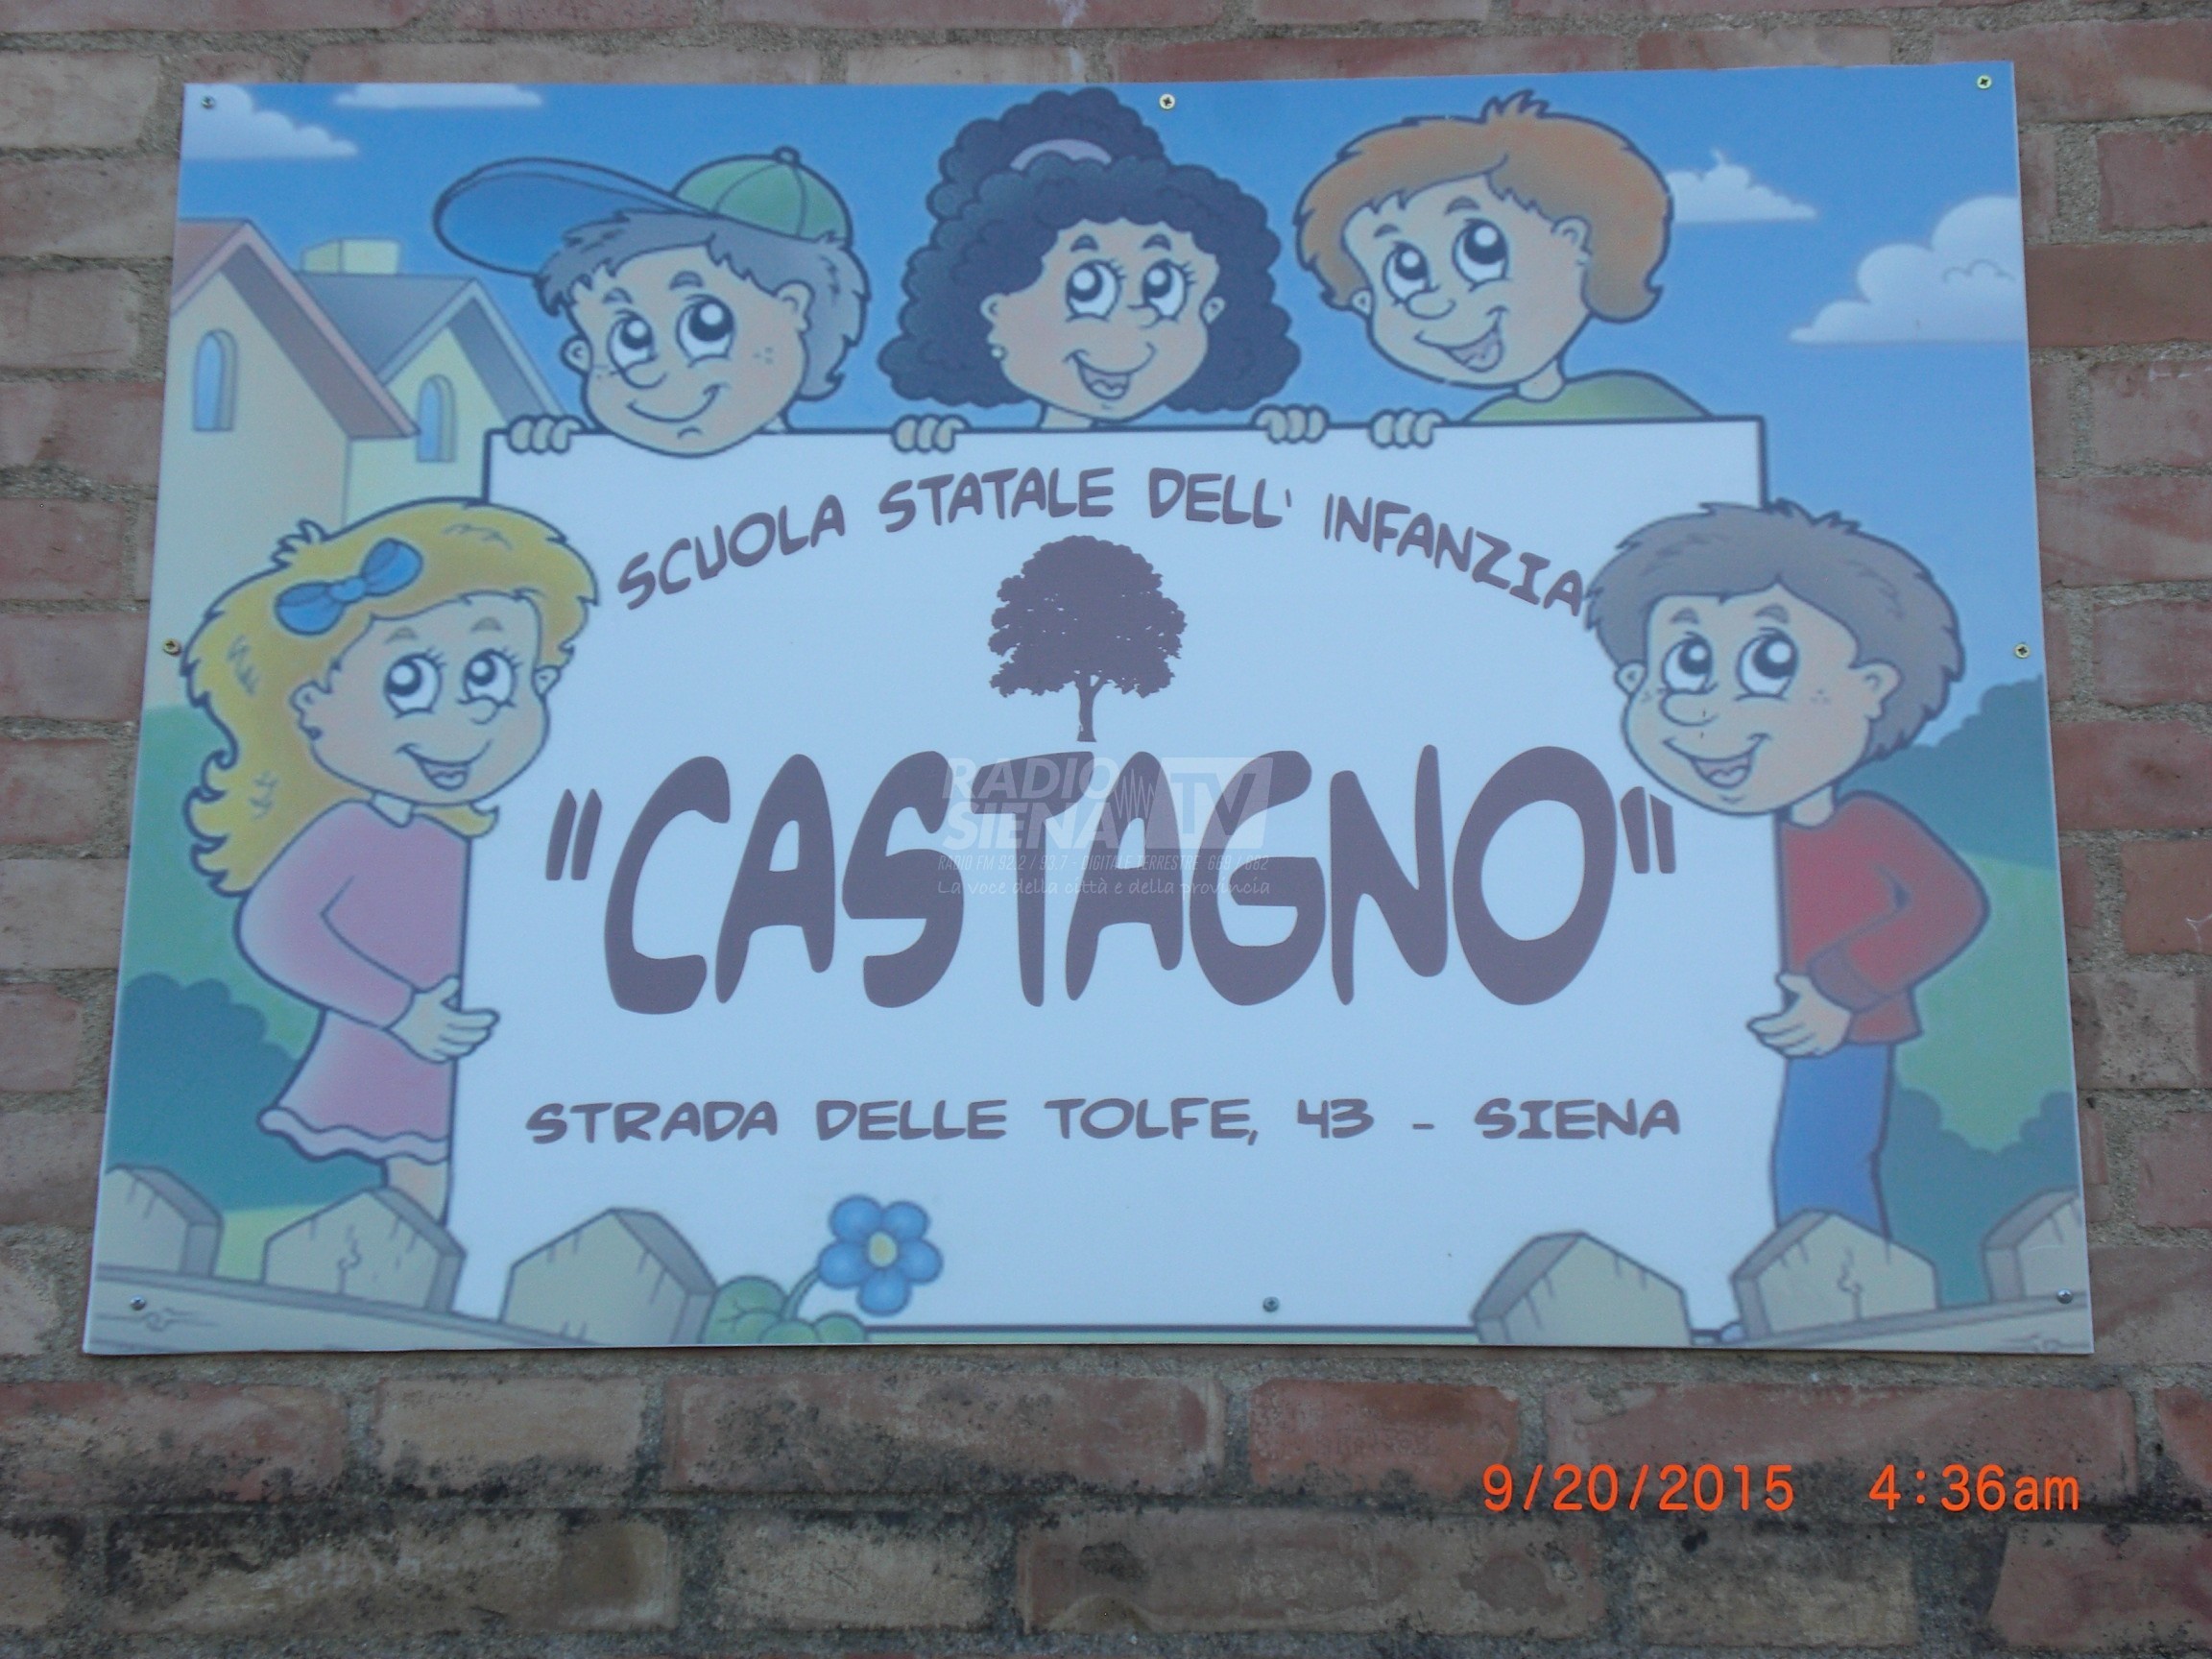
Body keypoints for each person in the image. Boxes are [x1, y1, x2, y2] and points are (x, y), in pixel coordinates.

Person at [185, 501, 596, 1220]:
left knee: (475, 1182)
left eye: (491, 675)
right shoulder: (352, 830)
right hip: (407, 1046)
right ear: (309, 703)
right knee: (425, 1187)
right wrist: (400, 1010)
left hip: (479, 1044)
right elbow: (275, 930)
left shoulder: (468, 836)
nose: (465, 717)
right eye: (408, 683)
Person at [1586, 500, 1987, 1237]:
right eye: (1688, 664)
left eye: (1769, 664)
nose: (1711, 709)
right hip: (1706, 1032)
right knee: (1703, 1166)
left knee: (1815, 1169)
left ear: (1872, 685)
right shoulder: (1675, 836)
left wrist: (1842, 987)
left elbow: (1951, 907)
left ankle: (1841, 1284)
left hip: (1829, 1038)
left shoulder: (1864, 826)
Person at [878, 87, 1317, 451]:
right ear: (993, 310)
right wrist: (929, 448)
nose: (1132, 319)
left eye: (1162, 288)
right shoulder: (981, 458)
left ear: (1212, 310)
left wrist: (1290, 440)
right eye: (1088, 289)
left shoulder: (1210, 455)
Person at [1296, 93, 1701, 446]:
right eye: (1405, 271)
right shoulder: (1478, 429)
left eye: (1481, 249)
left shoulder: (1638, 403)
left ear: (1577, 243)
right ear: (1366, 302)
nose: (1437, 301)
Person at [436, 148, 867, 457]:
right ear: (582, 355)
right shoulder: (589, 467)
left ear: (793, 308)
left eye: (706, 326)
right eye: (631, 337)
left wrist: (909, 453)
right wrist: (551, 454)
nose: (659, 371)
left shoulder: (835, 475)